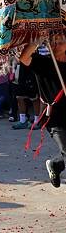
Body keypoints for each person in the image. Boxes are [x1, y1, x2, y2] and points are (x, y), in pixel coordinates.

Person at [20, 39, 66, 188]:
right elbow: (24, 58)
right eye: (52, 40)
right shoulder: (43, 63)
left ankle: (55, 164)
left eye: (60, 39)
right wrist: (35, 41)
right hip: (56, 119)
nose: (56, 43)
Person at [11, 63, 41, 130]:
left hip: (30, 69)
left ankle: (37, 121)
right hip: (19, 71)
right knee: (19, 97)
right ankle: (23, 121)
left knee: (34, 97)